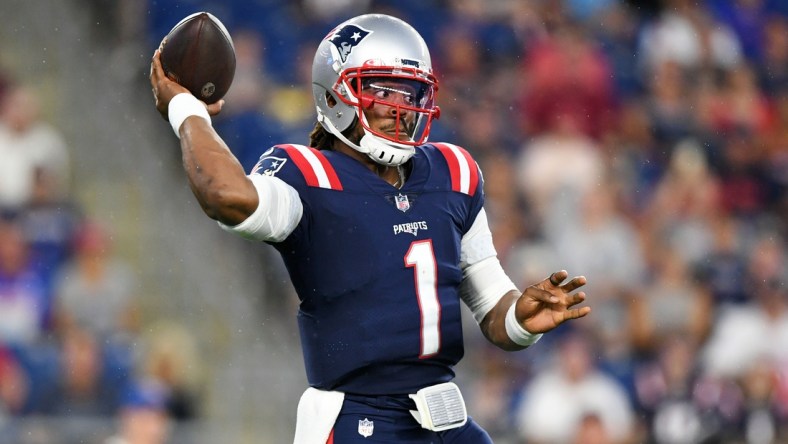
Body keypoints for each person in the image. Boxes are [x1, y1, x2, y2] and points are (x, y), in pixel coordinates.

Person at [150, 13, 591, 443]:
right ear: (336, 94)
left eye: (411, 92)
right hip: (356, 419)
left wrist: (521, 320)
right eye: (383, 90)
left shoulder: (454, 172)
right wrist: (187, 109)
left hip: (446, 419)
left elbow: (492, 301)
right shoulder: (307, 175)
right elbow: (226, 196)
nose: (401, 107)